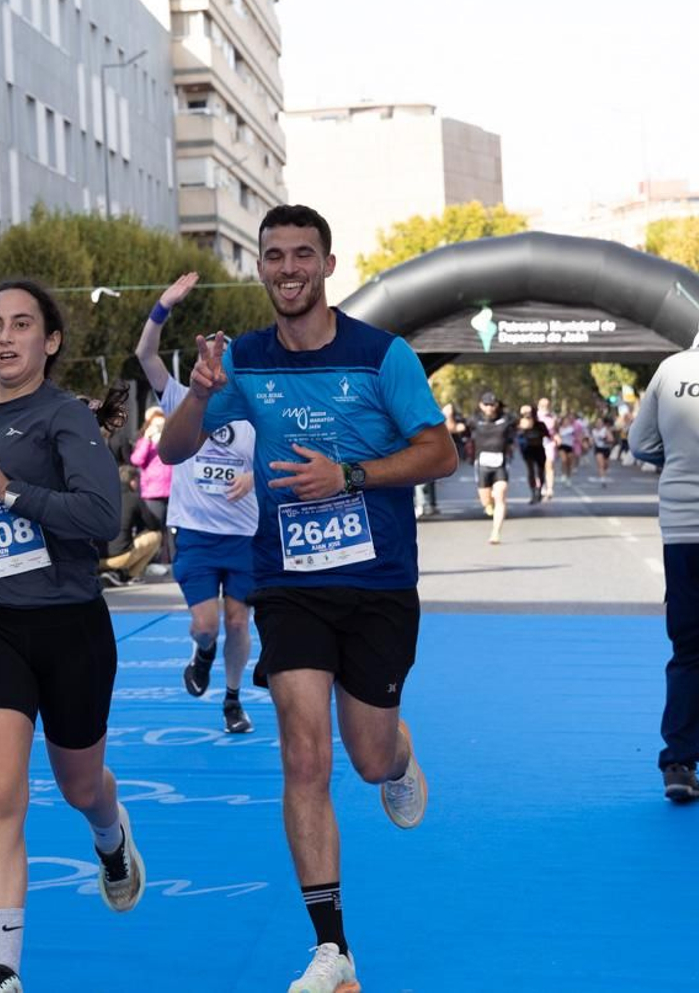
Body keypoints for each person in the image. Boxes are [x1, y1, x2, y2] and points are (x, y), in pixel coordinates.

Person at [159, 205, 457, 993]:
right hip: (287, 584)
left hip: (378, 583)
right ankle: (333, 949)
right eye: (273, 256)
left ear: (328, 263)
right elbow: (175, 448)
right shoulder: (244, 361)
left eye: (302, 255)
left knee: (365, 757)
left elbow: (441, 449)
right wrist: (196, 393)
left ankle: (398, 752)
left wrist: (350, 474)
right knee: (302, 752)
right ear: (260, 267)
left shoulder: (381, 355)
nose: (287, 268)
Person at [0, 279, 143, 993]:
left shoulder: (66, 417)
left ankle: (110, 834)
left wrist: (12, 490)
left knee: (79, 785)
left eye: (22, 325)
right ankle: (3, 970)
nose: (5, 338)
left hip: (69, 623)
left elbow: (102, 516)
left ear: (49, 341)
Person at [140, 272, 261, 735]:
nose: (215, 361)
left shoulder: (251, 413)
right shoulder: (177, 397)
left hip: (243, 535)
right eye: (207, 354)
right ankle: (202, 652)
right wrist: (162, 306)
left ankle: (232, 701)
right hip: (194, 533)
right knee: (207, 625)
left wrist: (253, 476)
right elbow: (145, 354)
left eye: (222, 355)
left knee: (238, 620)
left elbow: (275, 460)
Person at [628, 316, 699, 803]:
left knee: (691, 650)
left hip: (685, 529)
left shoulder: (673, 368)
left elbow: (639, 443)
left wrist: (676, 460)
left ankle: (678, 760)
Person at [98, 465, 162, 585]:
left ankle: (110, 573)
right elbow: (154, 525)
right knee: (156, 536)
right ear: (132, 481)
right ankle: (131, 575)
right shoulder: (133, 498)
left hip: (96, 558)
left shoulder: (102, 497)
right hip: (119, 557)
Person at [471, 392, 513, 544]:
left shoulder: (506, 419)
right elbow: (457, 428)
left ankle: (495, 533)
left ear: (496, 405)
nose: (489, 407)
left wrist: (528, 415)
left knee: (500, 494)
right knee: (486, 500)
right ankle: (488, 505)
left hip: (500, 463)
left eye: (492, 404)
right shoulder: (475, 420)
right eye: (486, 404)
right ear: (481, 405)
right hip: (482, 464)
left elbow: (523, 425)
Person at [516, 405, 549, 505]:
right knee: (531, 470)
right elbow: (517, 435)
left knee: (540, 471)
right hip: (528, 449)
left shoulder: (540, 425)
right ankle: (533, 492)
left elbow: (547, 434)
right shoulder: (521, 424)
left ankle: (539, 490)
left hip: (539, 449)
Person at [591, 415, 615, 484]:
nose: (598, 424)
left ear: (602, 423)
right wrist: (590, 442)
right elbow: (591, 440)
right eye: (597, 422)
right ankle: (603, 479)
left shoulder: (605, 430)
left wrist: (606, 439)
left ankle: (603, 473)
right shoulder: (594, 431)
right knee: (600, 464)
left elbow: (612, 439)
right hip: (598, 449)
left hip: (606, 449)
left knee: (605, 465)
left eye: (600, 422)